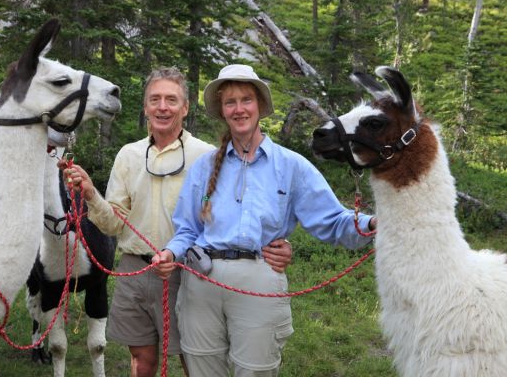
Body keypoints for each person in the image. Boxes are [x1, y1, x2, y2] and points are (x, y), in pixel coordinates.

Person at [62, 66, 292, 377]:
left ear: (185, 108)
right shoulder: (128, 156)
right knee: (141, 361)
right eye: (154, 99)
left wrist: (276, 244)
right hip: (135, 270)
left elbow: (239, 214)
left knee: (193, 361)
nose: (162, 107)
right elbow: (115, 224)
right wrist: (90, 195)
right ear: (145, 108)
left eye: (171, 99)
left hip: (188, 272)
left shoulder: (208, 156)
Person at [153, 64, 377, 377]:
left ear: (260, 106)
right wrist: (170, 253)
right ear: (222, 110)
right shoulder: (204, 167)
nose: (238, 109)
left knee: (255, 371)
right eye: (230, 102)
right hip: (200, 283)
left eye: (246, 100)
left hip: (259, 280)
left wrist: (371, 225)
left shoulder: (291, 166)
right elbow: (188, 229)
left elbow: (334, 220)